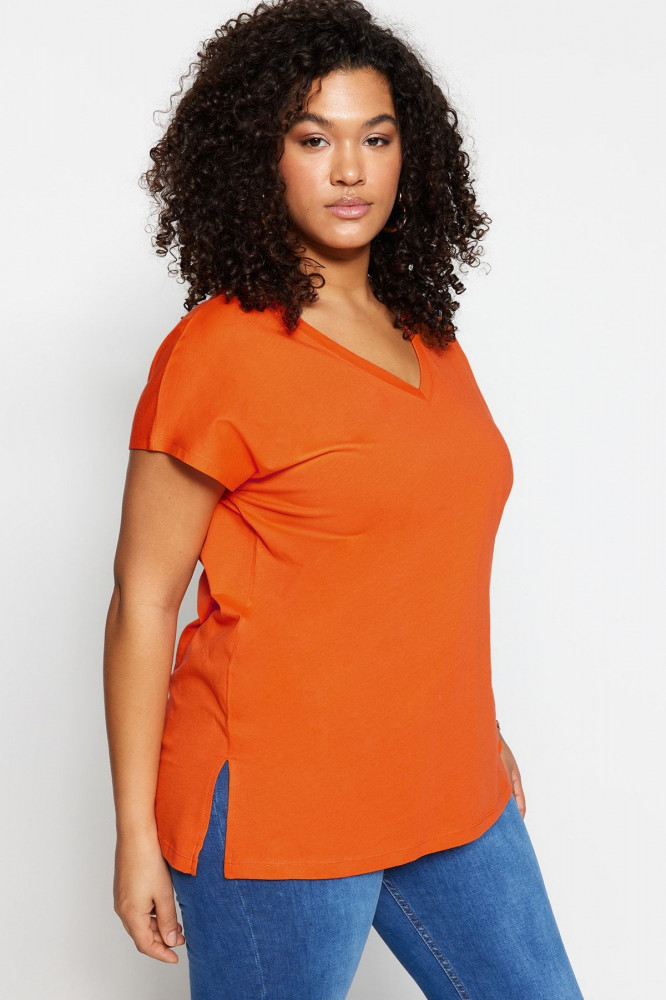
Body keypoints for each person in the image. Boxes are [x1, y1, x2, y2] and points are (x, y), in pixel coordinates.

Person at [104, 1, 586, 997]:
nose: (351, 170)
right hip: (278, 801)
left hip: (444, 780)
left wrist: (474, 725)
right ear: (262, 157)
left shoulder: (428, 335)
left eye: (377, 137)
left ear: (412, 155)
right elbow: (144, 599)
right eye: (314, 139)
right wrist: (136, 835)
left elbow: (420, 554)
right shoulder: (217, 352)